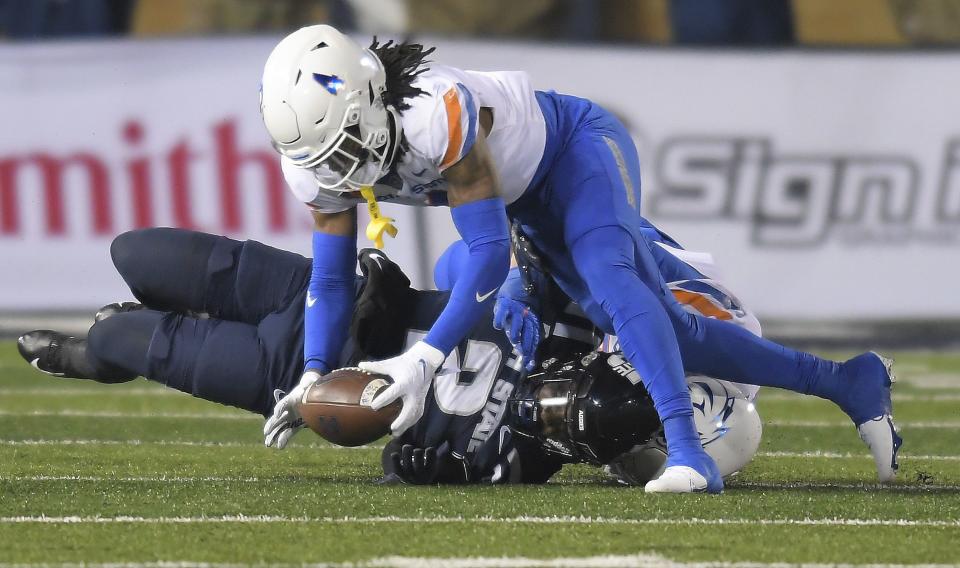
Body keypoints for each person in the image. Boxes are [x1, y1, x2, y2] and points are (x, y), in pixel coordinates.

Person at [259, 25, 898, 493]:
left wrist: (425, 359)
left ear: (369, 96)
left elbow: (487, 251)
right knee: (654, 328)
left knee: (614, 284)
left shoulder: (434, 112)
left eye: (344, 146)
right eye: (323, 159)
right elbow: (331, 277)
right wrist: (313, 372)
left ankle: (687, 450)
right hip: (520, 209)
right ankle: (846, 381)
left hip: (574, 151)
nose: (340, 172)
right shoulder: (318, 168)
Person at [16, 228, 760, 485]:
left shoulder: (517, 466)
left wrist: (411, 465)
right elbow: (483, 262)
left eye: (583, 427)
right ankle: (126, 335)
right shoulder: (565, 317)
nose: (558, 408)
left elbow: (394, 463)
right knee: (132, 252)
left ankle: (103, 357)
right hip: (320, 298)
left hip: (290, 382)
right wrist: (385, 287)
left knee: (115, 339)